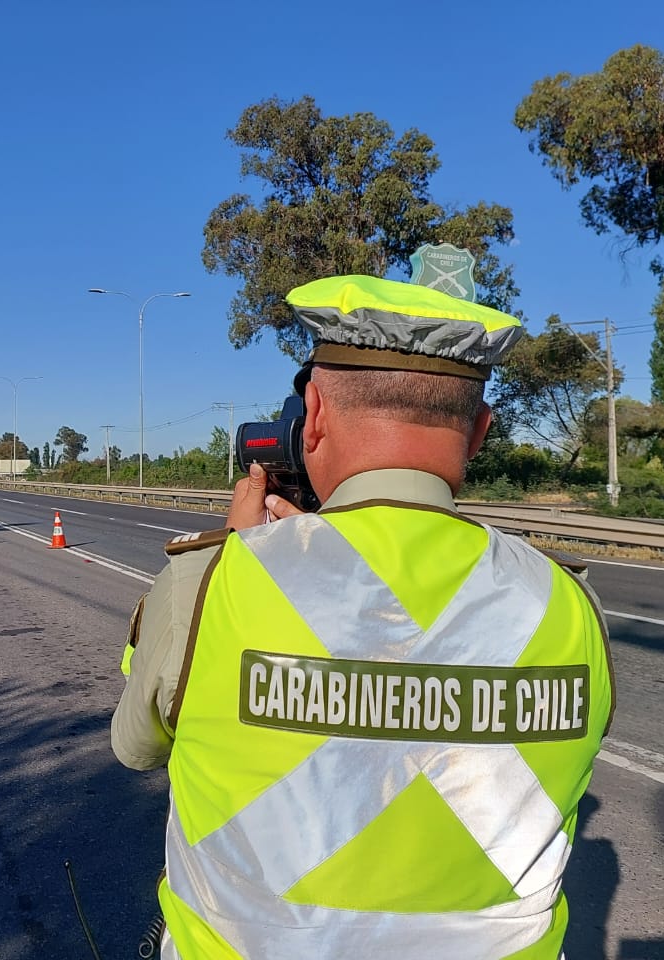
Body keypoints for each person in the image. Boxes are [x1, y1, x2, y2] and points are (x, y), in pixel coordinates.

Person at [111, 274, 615, 960]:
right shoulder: (569, 604)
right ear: (480, 433)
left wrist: (239, 557)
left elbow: (136, 746)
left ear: (312, 414)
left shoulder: (210, 584)